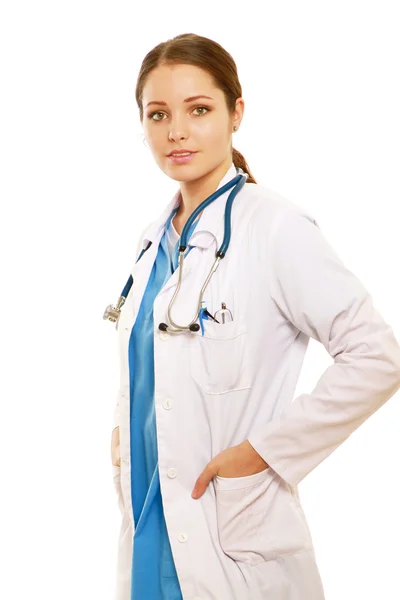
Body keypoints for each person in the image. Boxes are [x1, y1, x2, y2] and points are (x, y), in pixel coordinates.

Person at [109, 33, 400, 600]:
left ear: (235, 112)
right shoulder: (151, 245)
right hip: (151, 518)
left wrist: (264, 453)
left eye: (199, 110)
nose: (177, 132)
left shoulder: (275, 228)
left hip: (232, 533)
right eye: (158, 114)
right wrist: (123, 439)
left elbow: (377, 356)